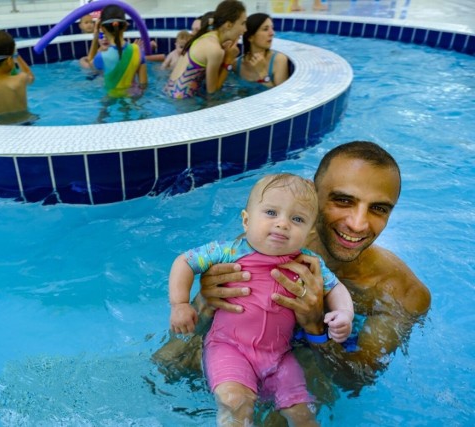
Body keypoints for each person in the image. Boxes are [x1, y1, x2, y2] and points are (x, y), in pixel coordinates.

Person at [154, 141, 431, 417]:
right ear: (313, 194)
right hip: (235, 345)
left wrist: (314, 323)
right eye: (343, 201)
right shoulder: (271, 239)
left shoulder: (403, 292)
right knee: (166, 370)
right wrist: (205, 303)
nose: (358, 224)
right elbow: (187, 330)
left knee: (300, 402)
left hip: (305, 359)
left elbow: (356, 380)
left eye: (378, 209)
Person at [169, 173, 354, 426]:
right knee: (235, 402)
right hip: (229, 347)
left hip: (280, 357)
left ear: (310, 231)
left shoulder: (309, 261)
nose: (282, 224)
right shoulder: (229, 251)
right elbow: (185, 262)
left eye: (297, 219)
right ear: (246, 221)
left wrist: (344, 314)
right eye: (270, 213)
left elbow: (336, 288)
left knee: (303, 412)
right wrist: (179, 304)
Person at [163, 0, 246, 99]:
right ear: (228, 25)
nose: (245, 29)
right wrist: (228, 59)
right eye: (243, 23)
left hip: (168, 93)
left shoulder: (206, 37)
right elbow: (212, 92)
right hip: (182, 103)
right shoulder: (215, 49)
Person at [86, 4, 148, 97]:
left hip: (112, 96)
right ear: (125, 26)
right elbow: (143, 84)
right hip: (133, 95)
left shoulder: (102, 56)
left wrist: (96, 34)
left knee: (104, 107)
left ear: (102, 28)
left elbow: (90, 61)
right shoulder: (137, 50)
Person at [237, 13, 289, 89]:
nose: (272, 33)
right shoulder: (237, 65)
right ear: (250, 37)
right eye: (265, 29)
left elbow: (281, 96)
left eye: (272, 28)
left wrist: (262, 72)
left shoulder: (279, 60)